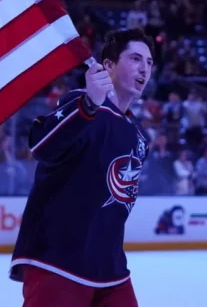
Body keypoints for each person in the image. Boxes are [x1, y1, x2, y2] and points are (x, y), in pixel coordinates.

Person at [9, 28, 154, 307]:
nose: (144, 69)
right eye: (136, 59)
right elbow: (41, 147)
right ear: (109, 65)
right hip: (57, 261)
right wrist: (88, 104)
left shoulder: (138, 135)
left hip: (110, 270)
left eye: (149, 63)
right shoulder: (81, 104)